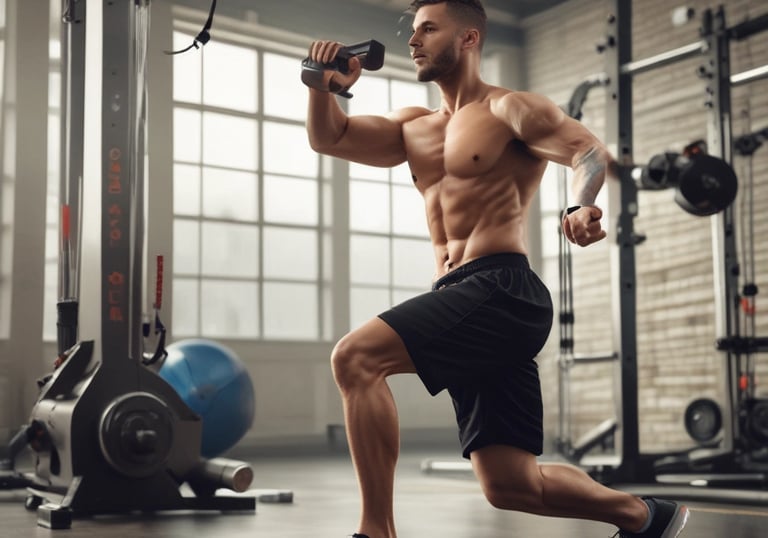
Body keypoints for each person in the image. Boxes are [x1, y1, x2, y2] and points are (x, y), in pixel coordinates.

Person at [303, 1, 689, 537]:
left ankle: (376, 531)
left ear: (468, 39)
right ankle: (647, 517)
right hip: (462, 297)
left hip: (502, 289)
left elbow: (587, 151)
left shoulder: (510, 109)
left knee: (356, 357)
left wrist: (580, 205)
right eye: (412, 31)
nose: (413, 42)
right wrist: (324, 88)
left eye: (428, 29)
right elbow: (331, 138)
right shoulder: (413, 126)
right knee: (511, 485)